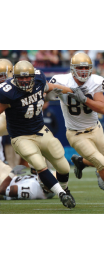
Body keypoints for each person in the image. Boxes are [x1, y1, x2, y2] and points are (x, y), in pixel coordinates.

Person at [48, 52, 104, 206]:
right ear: (72, 69)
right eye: (80, 68)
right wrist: (63, 90)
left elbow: (103, 109)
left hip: (95, 129)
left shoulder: (95, 81)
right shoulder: (62, 80)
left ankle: (81, 162)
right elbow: (47, 89)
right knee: (102, 163)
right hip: (76, 133)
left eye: (86, 68)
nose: (84, 71)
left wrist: (84, 99)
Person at [0, 60, 77, 209]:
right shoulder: (7, 92)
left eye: (27, 77)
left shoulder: (39, 79)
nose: (24, 81)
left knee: (64, 166)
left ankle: (65, 189)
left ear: (32, 77)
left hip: (40, 130)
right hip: (21, 136)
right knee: (39, 165)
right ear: (14, 77)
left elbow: (51, 87)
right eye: (20, 78)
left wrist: (71, 90)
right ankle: (62, 194)